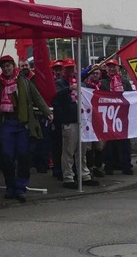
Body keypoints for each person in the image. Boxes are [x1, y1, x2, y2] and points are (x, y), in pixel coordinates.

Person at [0, 55, 53, 203]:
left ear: (13, 66)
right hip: (6, 123)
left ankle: (21, 187)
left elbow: (37, 97)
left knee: (23, 155)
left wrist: (47, 112)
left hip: (22, 123)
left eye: (8, 66)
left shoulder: (23, 81)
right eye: (3, 66)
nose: (6, 69)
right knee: (6, 156)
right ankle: (10, 186)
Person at [53, 58, 99, 189]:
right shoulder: (60, 83)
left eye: (72, 68)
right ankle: (68, 177)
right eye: (67, 68)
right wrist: (69, 89)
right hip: (69, 120)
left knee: (82, 150)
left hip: (82, 120)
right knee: (68, 151)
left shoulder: (81, 83)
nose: (70, 71)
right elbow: (56, 96)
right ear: (63, 70)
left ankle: (84, 174)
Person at [100, 59, 134, 175]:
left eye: (114, 66)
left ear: (119, 68)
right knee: (109, 143)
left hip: (123, 116)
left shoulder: (125, 82)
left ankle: (126, 166)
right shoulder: (103, 82)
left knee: (125, 143)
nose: (112, 68)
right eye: (109, 66)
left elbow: (131, 97)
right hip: (109, 116)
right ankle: (108, 166)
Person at [82, 66, 106, 178]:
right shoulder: (85, 86)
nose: (95, 75)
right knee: (88, 146)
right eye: (93, 73)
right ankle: (90, 167)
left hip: (101, 118)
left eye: (97, 73)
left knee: (99, 145)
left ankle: (98, 167)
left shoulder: (104, 86)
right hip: (88, 119)